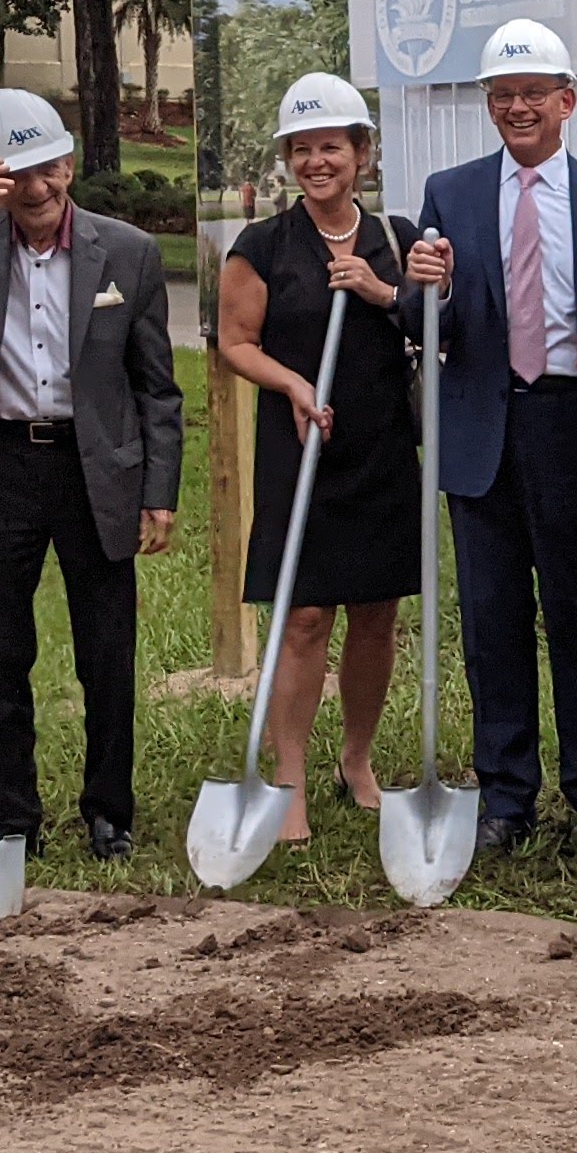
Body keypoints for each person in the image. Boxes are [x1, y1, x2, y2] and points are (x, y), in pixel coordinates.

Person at [0, 87, 181, 859]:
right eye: (19, 176)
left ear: (70, 164)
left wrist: (159, 492)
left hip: (96, 469)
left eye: (50, 170)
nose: (39, 189)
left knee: (106, 652)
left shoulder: (128, 252)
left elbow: (156, 386)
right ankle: (14, 817)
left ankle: (110, 811)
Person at [402, 19, 577, 861]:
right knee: (491, 620)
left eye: (532, 95)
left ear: (566, 102)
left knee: (576, 616)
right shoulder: (452, 191)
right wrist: (418, 290)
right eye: (501, 96)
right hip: (482, 428)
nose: (516, 109)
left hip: (571, 426)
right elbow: (423, 319)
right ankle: (505, 796)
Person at [213, 75, 417, 848]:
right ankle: (288, 778)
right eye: (302, 149)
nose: (316, 161)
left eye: (332, 145)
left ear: (362, 154)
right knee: (302, 619)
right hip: (303, 447)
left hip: (381, 448)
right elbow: (237, 344)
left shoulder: (395, 237)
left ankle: (356, 762)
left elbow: (434, 319)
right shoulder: (262, 246)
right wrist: (294, 384)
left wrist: (378, 289)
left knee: (377, 615)